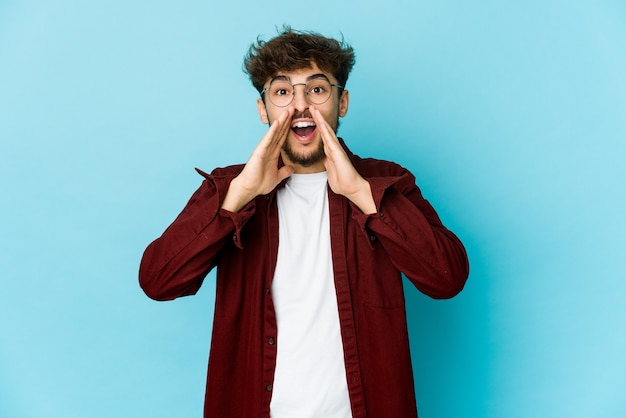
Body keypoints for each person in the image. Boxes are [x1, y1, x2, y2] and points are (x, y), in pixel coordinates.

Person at [139, 26, 469, 418]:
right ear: (263, 109)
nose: (299, 106)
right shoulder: (229, 188)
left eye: (316, 89)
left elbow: (447, 278)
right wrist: (239, 196)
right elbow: (158, 281)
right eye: (282, 92)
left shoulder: (386, 181)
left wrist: (362, 195)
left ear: (341, 102)